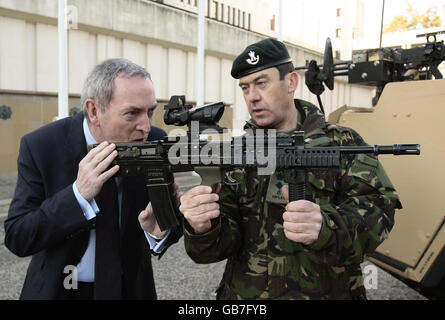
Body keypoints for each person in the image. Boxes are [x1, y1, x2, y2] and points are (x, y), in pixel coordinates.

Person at [179, 38, 402, 300]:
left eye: (262, 83)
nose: (252, 96)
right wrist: (202, 226)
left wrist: (325, 229)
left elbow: (379, 213)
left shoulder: (341, 142)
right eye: (245, 87)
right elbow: (219, 247)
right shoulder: (237, 153)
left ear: (291, 82)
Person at [4, 58, 182, 300]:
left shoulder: (157, 143)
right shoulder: (42, 146)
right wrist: (77, 196)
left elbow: (167, 224)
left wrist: (158, 234)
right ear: (94, 111)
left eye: (150, 111)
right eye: (132, 113)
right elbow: (18, 236)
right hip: (59, 290)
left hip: (130, 290)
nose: (146, 126)